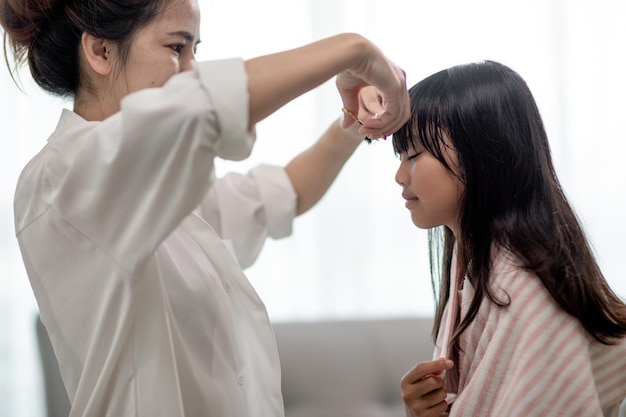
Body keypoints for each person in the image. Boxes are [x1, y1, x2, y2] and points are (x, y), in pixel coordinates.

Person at [0, 0, 410, 415]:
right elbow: (207, 106)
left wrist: (355, 122)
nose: (192, 70)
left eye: (195, 49)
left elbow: (282, 193)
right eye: (177, 48)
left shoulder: (160, 189)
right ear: (100, 52)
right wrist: (353, 49)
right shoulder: (60, 181)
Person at [391, 61, 626, 417]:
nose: (398, 176)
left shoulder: (521, 286)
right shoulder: (483, 268)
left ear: (480, 155)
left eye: (413, 154)